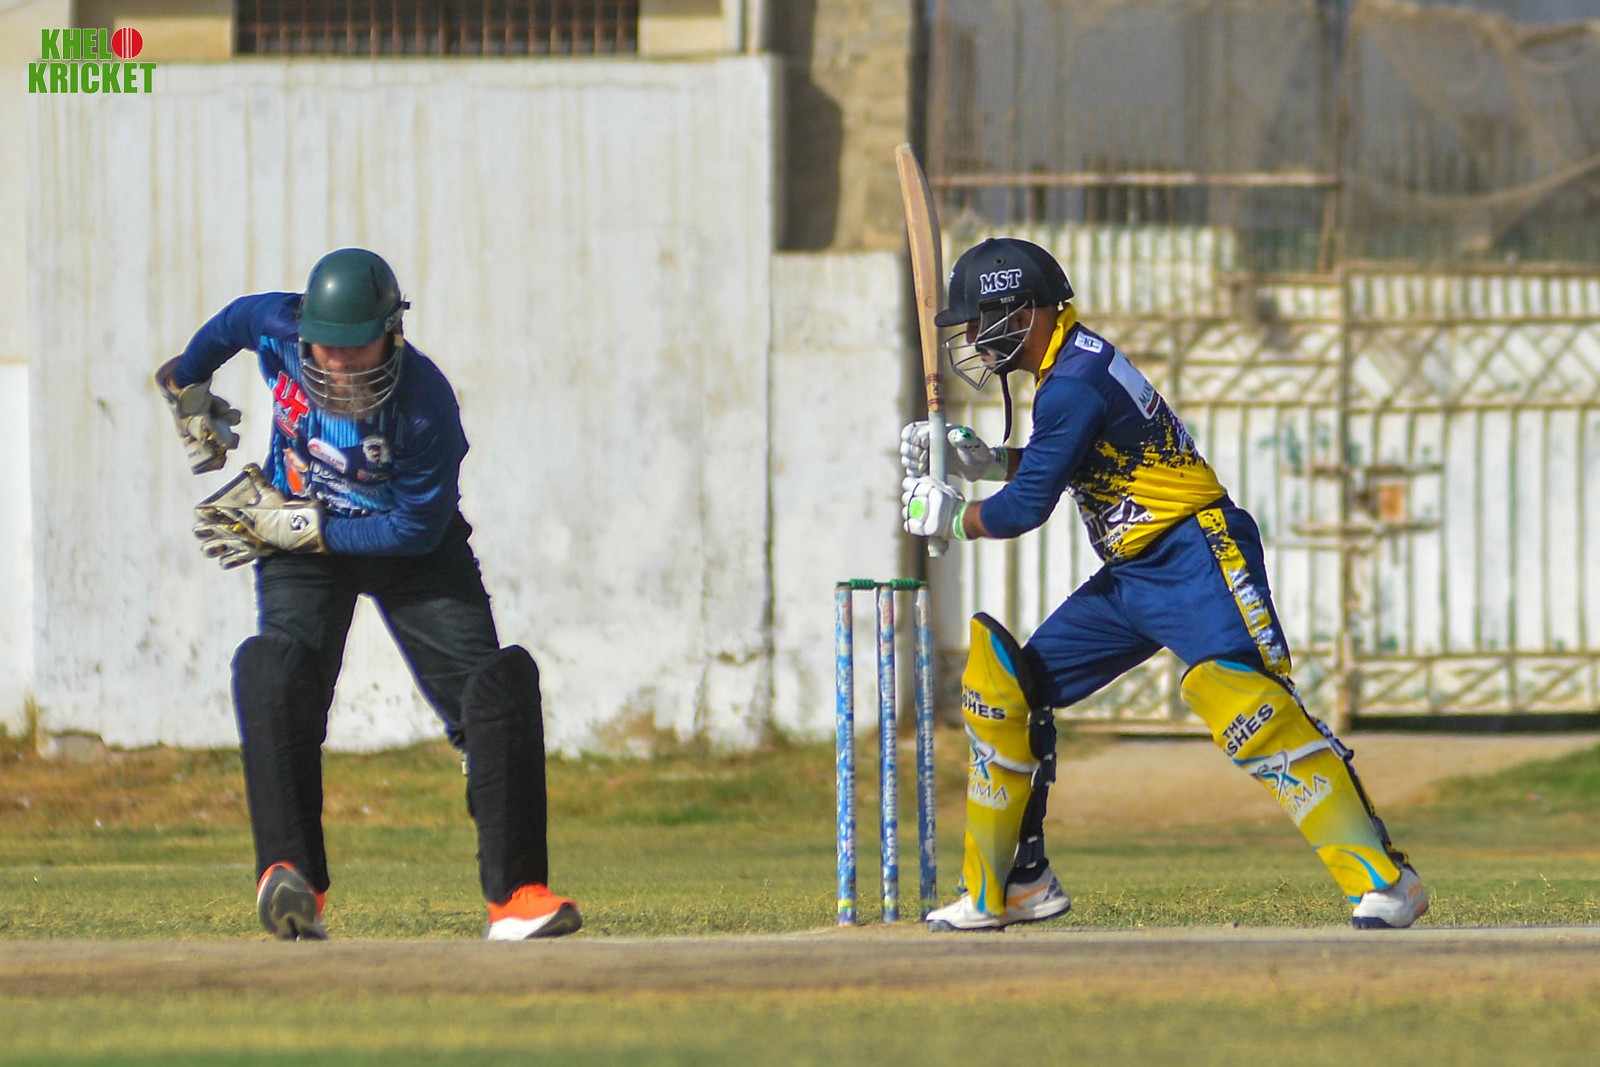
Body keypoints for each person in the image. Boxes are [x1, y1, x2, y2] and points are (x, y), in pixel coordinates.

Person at [900, 237, 1429, 932]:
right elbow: (1079, 459)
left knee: (1253, 708)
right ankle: (1018, 884)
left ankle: (1387, 882)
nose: (972, 339)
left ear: (1022, 312)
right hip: (1133, 576)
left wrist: (954, 516)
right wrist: (991, 461)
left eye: (980, 321)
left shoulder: (1072, 383)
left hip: (1195, 554)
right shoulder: (1072, 366)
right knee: (1010, 694)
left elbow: (1027, 508)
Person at [156, 247, 582, 941]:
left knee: (496, 688)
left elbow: (414, 529)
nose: (341, 365)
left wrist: (310, 528)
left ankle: (517, 897)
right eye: (329, 348)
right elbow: (231, 321)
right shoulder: (279, 328)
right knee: (273, 673)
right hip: (301, 545)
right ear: (305, 332)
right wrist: (189, 381)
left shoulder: (425, 405)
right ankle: (291, 878)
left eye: (359, 348)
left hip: (408, 548)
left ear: (392, 333)